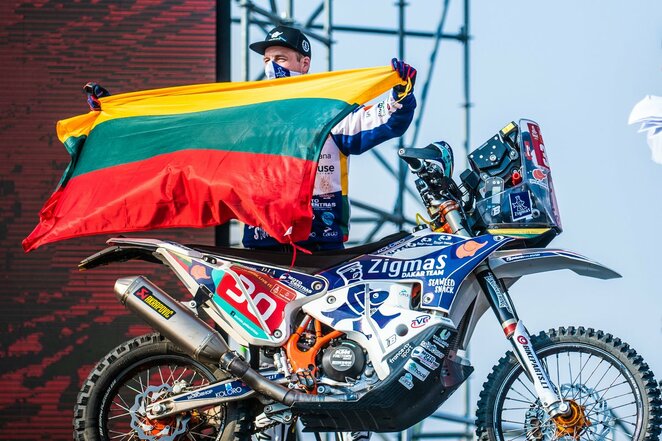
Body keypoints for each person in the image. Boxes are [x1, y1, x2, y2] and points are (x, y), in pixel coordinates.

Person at [243, 25, 417, 251]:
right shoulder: (251, 115)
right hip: (264, 243)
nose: (271, 67)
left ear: (304, 64)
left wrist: (402, 94)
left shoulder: (330, 112)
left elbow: (387, 121)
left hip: (320, 242)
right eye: (266, 60)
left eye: (280, 58)